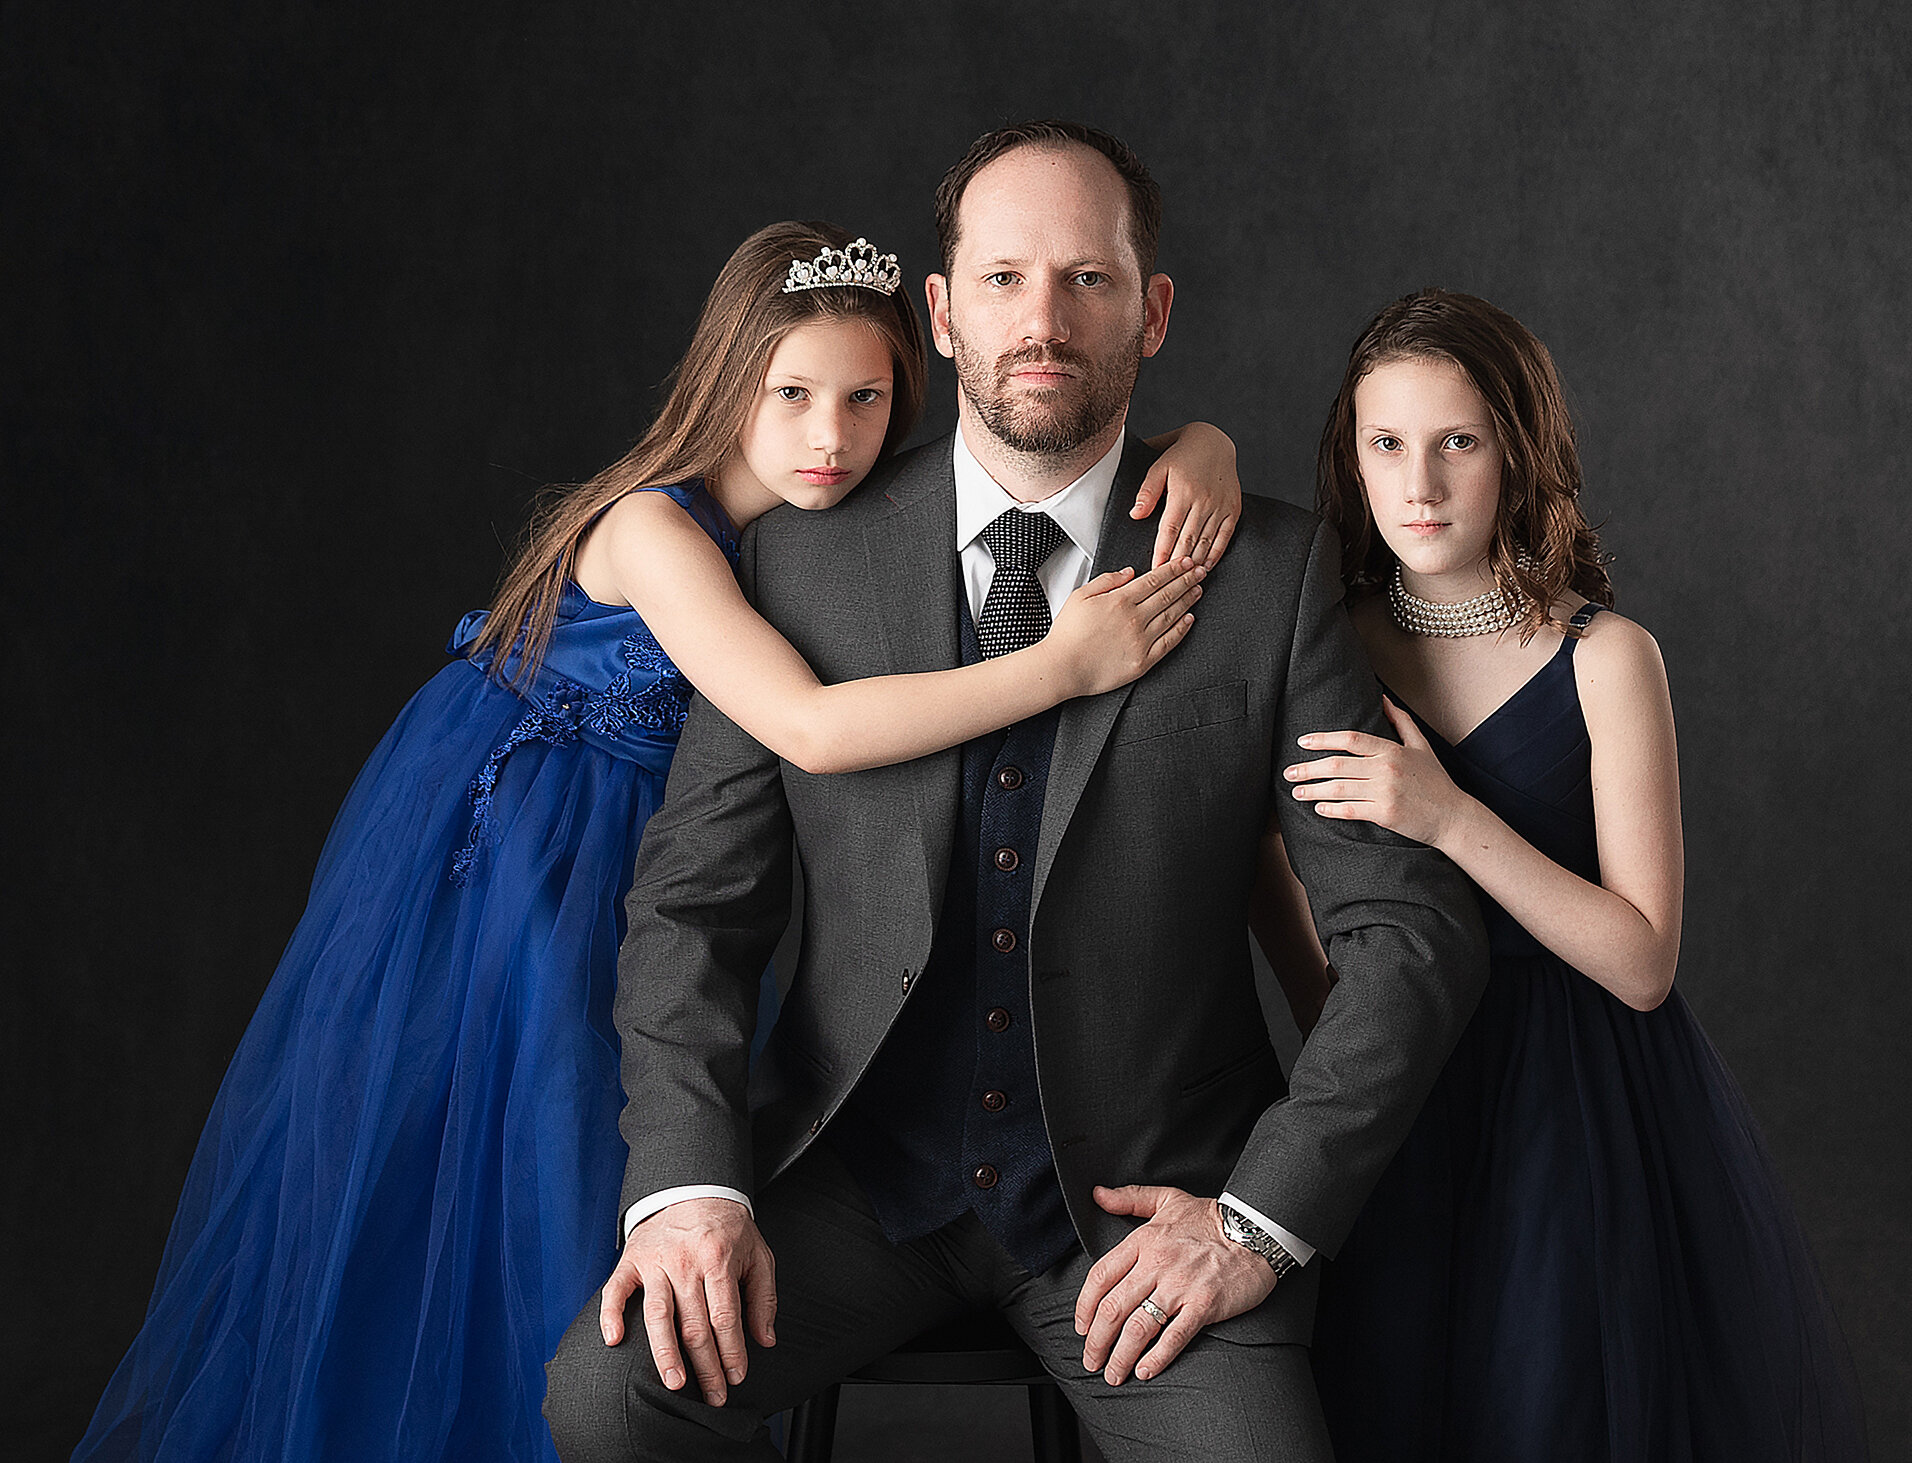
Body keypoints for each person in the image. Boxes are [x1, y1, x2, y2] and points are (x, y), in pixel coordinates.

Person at [75, 219, 1242, 1463]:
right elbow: (807, 726)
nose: (828, 437)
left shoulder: (822, 538)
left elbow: (1040, 452)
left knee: (625, 1148)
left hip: (646, 857)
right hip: (529, 862)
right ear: (723, 384)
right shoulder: (654, 529)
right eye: (788, 396)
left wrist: (1206, 444)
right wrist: (1060, 666)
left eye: (864, 399)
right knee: (533, 1182)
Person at [542, 122, 1489, 1463]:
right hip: (856, 1195)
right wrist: (690, 1189)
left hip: (1147, 1212)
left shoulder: (1267, 576)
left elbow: (1405, 938)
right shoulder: (800, 564)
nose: (1041, 320)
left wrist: (1252, 1220)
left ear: (1152, 311)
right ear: (938, 312)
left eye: (1087, 279)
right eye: (1000, 280)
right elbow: (693, 907)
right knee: (608, 1394)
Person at [1276, 288, 1868, 1460]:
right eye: (1385, 443)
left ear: (1516, 447)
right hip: (1395, 1082)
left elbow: (1642, 960)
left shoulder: (1604, 656)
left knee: (1542, 1405)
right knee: (1388, 1403)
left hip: (1574, 1095)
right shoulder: (1319, 642)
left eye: (1459, 442)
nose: (1420, 485)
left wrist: (1446, 816)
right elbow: (1267, 865)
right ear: (1350, 457)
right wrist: (1342, 1023)